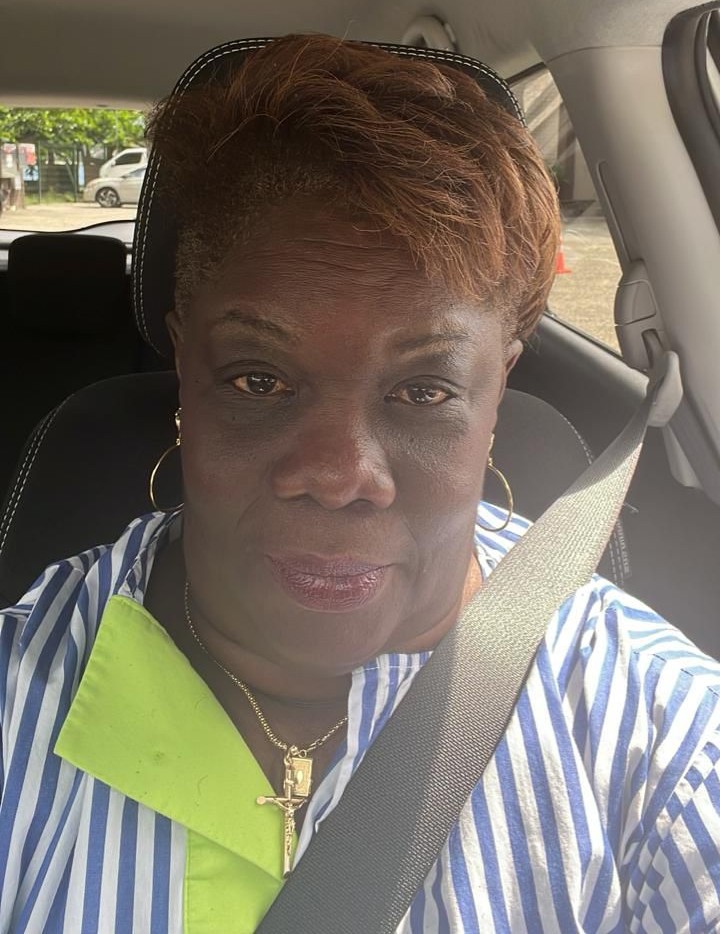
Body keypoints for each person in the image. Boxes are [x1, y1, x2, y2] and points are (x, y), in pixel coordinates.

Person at [1, 34, 720, 933]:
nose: (340, 476)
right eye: (258, 379)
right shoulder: (20, 695)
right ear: (185, 367)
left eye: (425, 391)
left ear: (497, 388)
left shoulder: (665, 743)